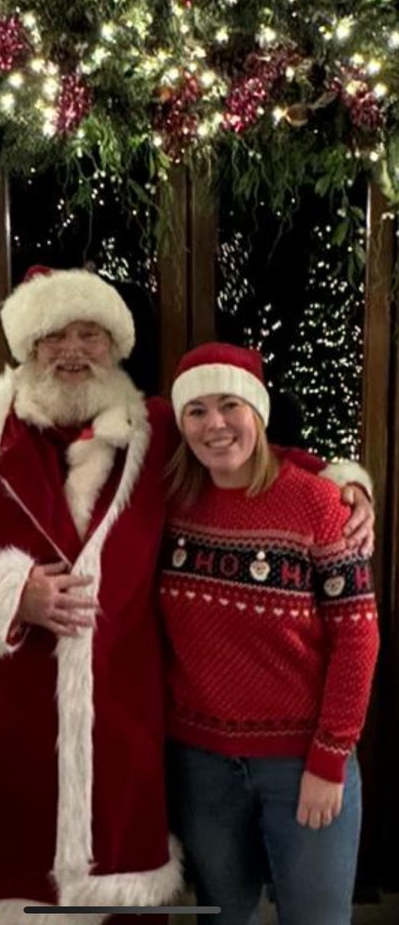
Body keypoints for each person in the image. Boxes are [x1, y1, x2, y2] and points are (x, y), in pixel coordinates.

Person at [0, 267, 374, 924]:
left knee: (117, 899)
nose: (72, 350)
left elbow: (242, 456)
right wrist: (9, 592)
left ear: (116, 347)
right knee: (1, 895)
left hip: (115, 728)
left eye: (90, 335)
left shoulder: (154, 432)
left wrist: (341, 480)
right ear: (25, 346)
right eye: (53, 335)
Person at [161, 342, 379, 925]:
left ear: (257, 412)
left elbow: (357, 639)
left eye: (230, 404)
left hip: (300, 761)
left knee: (316, 917)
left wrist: (329, 758)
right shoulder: (171, 502)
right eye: (197, 410)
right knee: (222, 914)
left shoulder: (320, 503)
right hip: (199, 763)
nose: (215, 425)